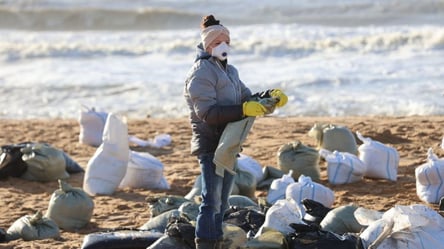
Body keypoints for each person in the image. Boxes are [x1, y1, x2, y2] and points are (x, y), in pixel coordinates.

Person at [183, 15, 288, 249]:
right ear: (207, 44)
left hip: (229, 143)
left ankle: (216, 239)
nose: (223, 45)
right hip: (211, 144)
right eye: (218, 41)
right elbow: (207, 113)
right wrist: (243, 109)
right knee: (210, 200)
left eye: (226, 40)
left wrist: (269, 96)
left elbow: (246, 98)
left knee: (222, 200)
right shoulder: (201, 72)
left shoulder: (230, 71)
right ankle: (205, 243)